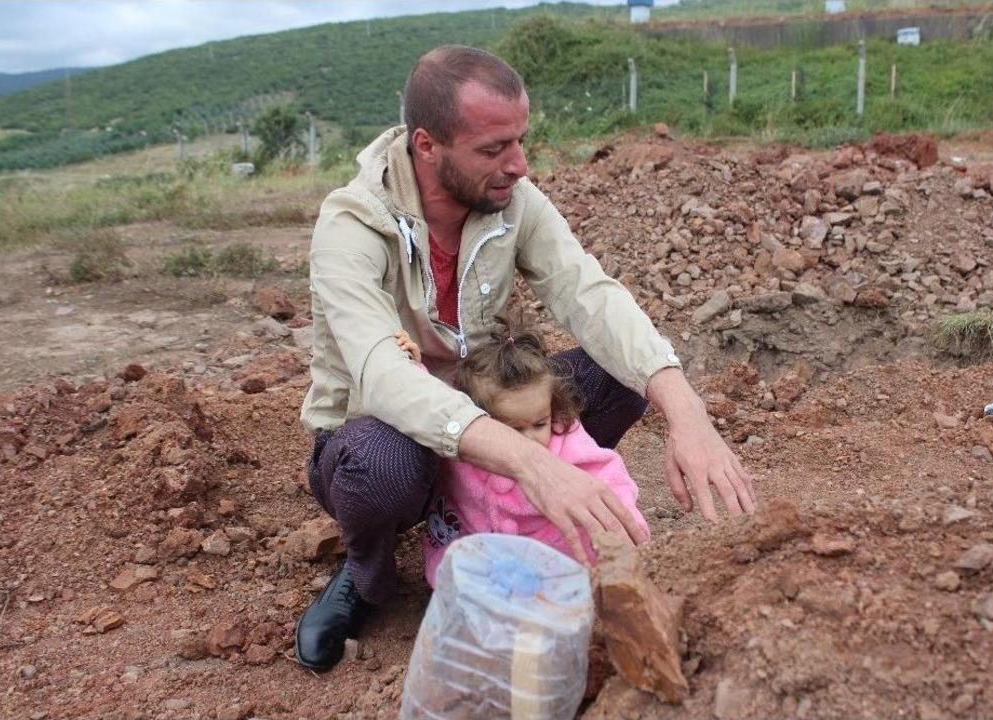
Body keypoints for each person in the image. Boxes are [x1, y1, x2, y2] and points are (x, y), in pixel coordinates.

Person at [294, 44, 756, 672]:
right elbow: (381, 375)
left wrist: (685, 410)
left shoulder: (512, 199)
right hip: (387, 431)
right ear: (427, 146)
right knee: (381, 466)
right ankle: (366, 571)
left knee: (622, 374)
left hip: (488, 404)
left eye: (520, 140)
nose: (519, 164)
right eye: (494, 149)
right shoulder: (353, 225)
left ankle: (518, 515)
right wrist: (534, 464)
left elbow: (589, 294)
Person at [410, 326, 651, 586]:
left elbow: (608, 478)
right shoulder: (465, 445)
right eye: (513, 429)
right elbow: (428, 401)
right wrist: (412, 364)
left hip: (553, 552)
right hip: (479, 547)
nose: (530, 439)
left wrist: (627, 524)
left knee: (589, 552)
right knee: (462, 576)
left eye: (539, 424)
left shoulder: (564, 437)